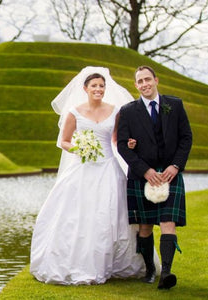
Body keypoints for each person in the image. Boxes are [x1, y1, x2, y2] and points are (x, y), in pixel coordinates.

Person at [30, 66, 149, 285]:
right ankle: (78, 261)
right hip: (82, 169)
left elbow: (115, 140)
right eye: (94, 86)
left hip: (108, 168)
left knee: (109, 214)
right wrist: (79, 148)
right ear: (85, 88)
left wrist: (129, 143)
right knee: (80, 214)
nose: (98, 89)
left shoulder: (115, 111)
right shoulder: (75, 112)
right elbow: (64, 141)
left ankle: (115, 262)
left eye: (101, 86)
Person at [117, 65, 192, 289]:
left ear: (156, 80)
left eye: (147, 79)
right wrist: (145, 171)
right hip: (142, 176)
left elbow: (186, 138)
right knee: (145, 226)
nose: (144, 84)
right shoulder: (128, 111)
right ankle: (150, 270)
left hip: (170, 174)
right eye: (140, 81)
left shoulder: (174, 105)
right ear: (136, 85)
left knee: (168, 221)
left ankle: (166, 273)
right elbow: (123, 146)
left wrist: (175, 166)